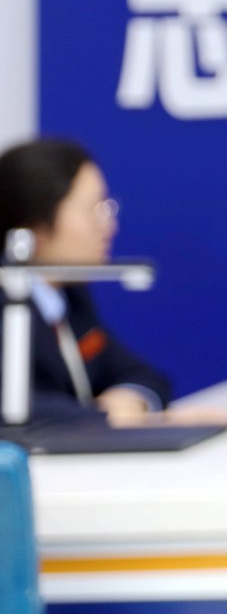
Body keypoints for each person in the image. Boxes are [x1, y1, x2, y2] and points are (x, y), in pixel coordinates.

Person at [0, 138, 171, 424]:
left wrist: (131, 400)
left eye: (107, 207)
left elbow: (143, 375)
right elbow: (17, 410)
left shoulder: (70, 295)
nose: (109, 225)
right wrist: (104, 417)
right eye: (93, 209)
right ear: (35, 224)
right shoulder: (10, 302)